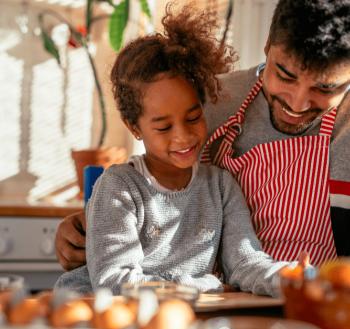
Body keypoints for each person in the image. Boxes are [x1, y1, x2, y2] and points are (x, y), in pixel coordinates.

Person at [55, 0, 350, 271]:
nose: (297, 104)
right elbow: (153, 195)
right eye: (285, 75)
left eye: (325, 88)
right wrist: (89, 228)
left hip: (314, 309)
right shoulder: (205, 100)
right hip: (209, 306)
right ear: (267, 45)